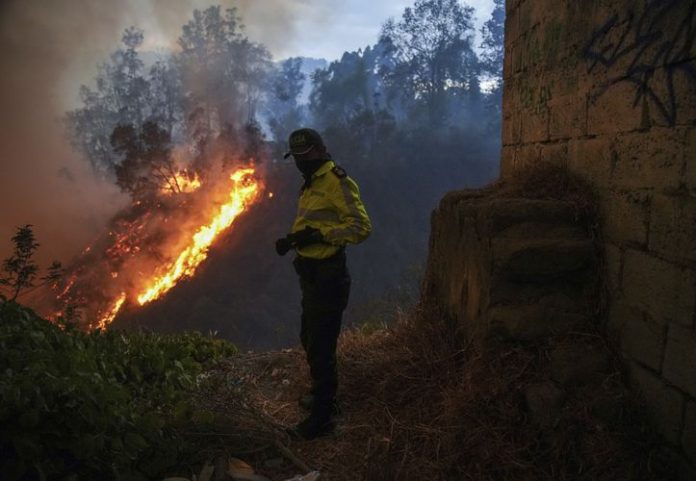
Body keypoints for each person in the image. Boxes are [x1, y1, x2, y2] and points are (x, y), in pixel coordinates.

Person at [275, 128, 371, 439]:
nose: (301, 162)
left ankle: (323, 417)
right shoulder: (312, 183)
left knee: (321, 344)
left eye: (306, 155)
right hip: (311, 273)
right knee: (309, 336)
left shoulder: (336, 181)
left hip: (329, 274)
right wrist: (294, 241)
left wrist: (320, 236)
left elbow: (360, 227)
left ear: (319, 150)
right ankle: (322, 396)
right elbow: (316, 221)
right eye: (297, 157)